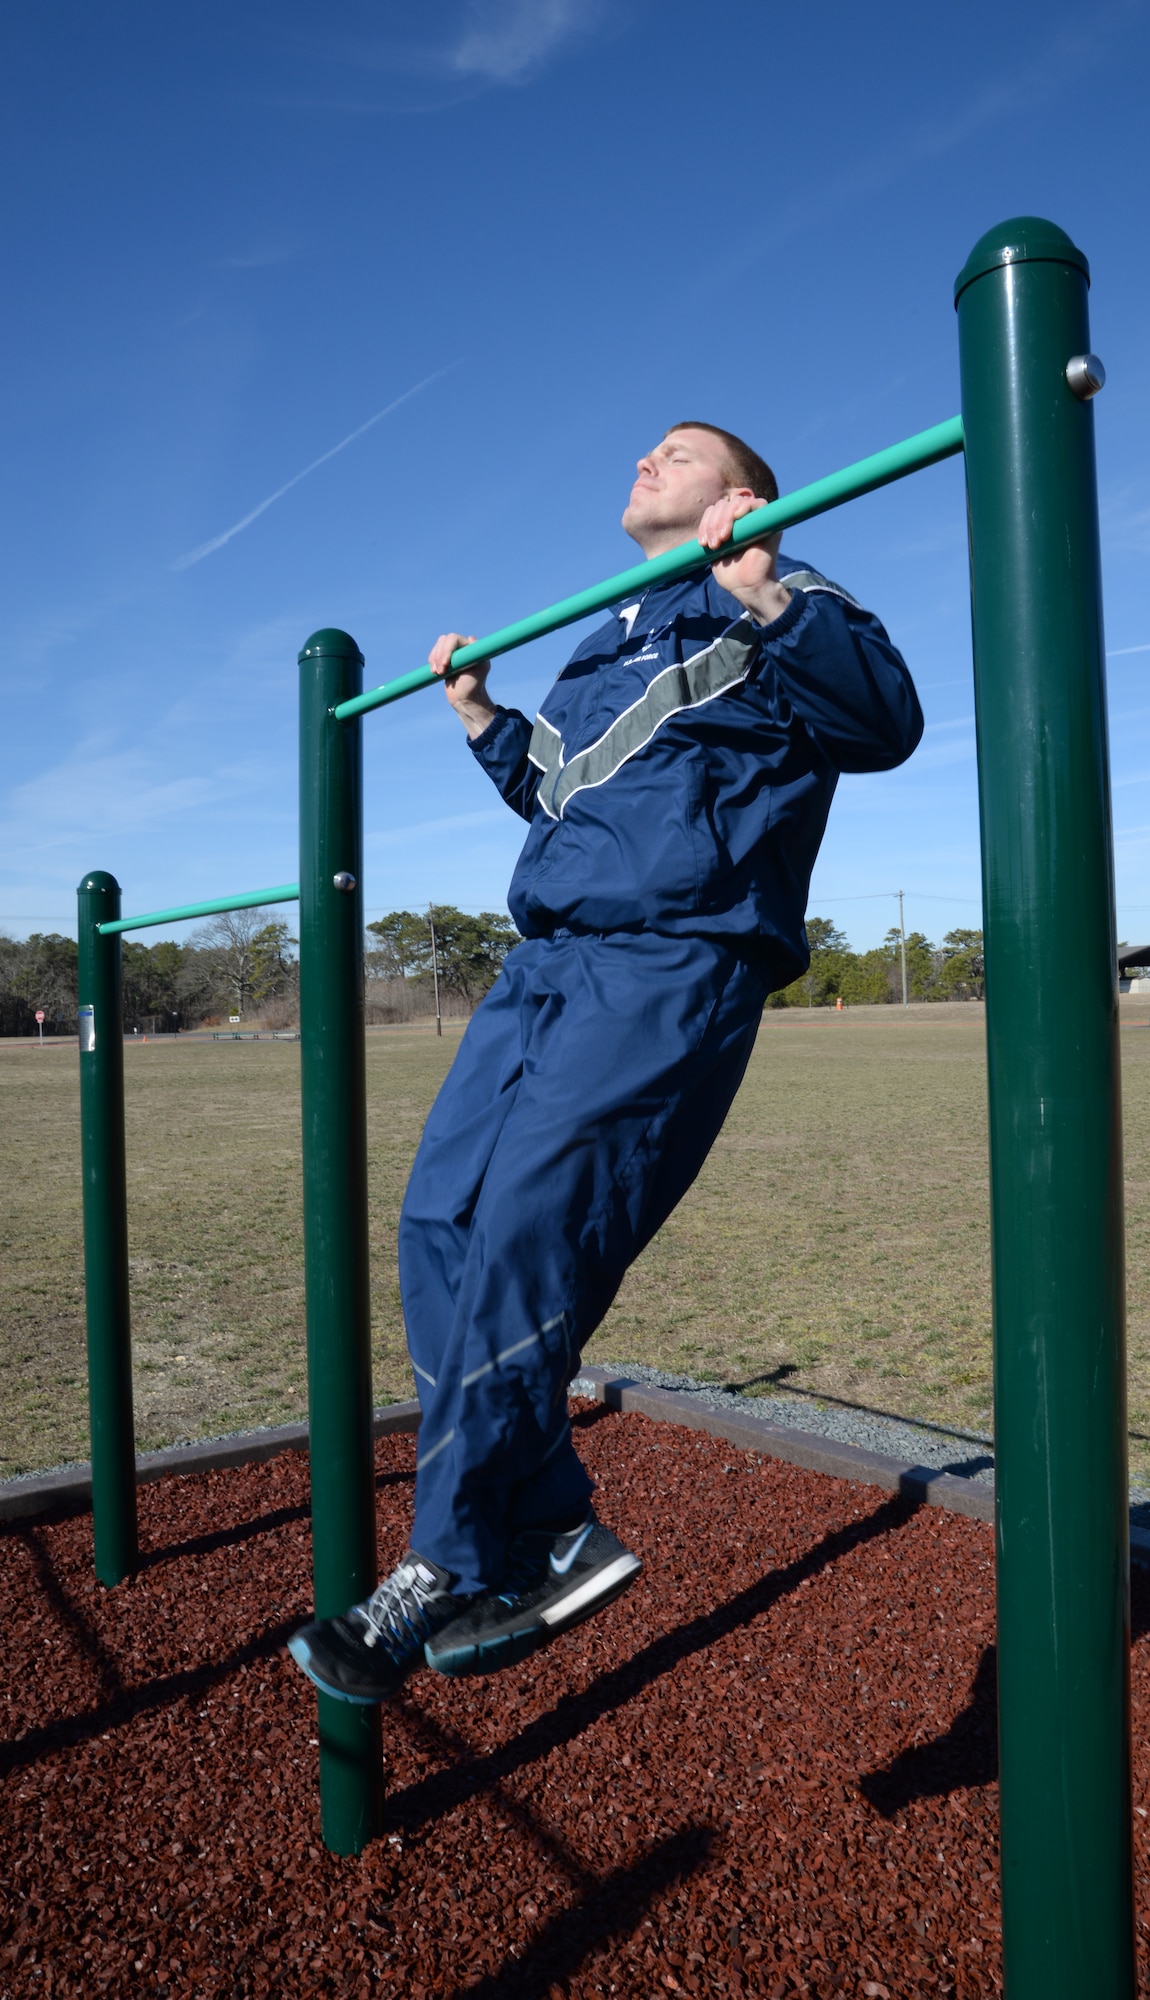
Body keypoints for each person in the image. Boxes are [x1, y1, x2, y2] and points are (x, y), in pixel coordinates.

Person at [289, 422, 923, 1705]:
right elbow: (561, 792)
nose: (647, 457)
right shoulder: (606, 640)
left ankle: (452, 1559)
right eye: (645, 447)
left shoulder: (778, 595)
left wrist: (767, 590)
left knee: (530, 1226)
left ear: (741, 498)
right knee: (436, 1221)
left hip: (671, 961)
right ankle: (559, 1522)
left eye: (678, 450)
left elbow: (886, 723)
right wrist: (479, 717)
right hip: (545, 965)